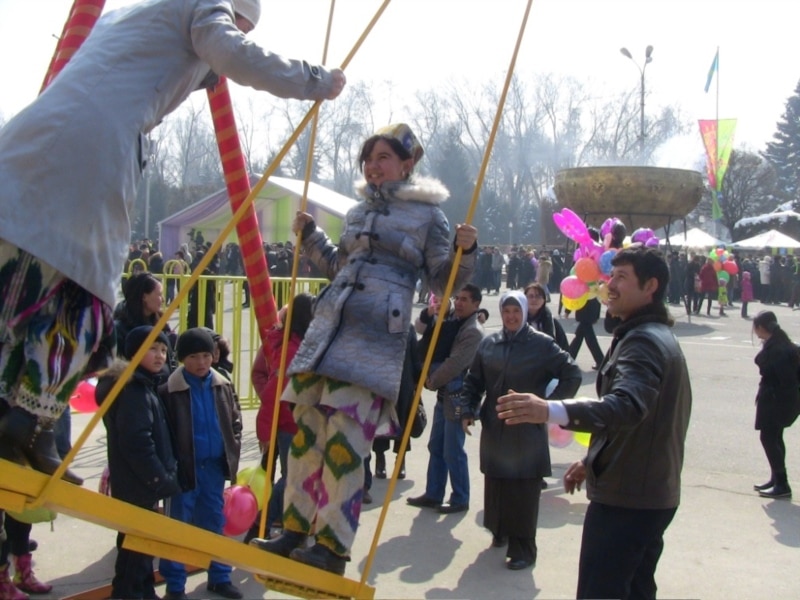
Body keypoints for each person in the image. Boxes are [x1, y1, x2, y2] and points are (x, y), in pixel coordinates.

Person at [0, 0, 345, 480]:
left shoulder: (132, 17)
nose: (237, 31)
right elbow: (229, 51)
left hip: (33, 143)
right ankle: (26, 422)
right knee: (81, 301)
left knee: (31, 288)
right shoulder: (202, 5)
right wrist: (315, 81)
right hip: (88, 153)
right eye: (240, 25)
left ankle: (24, 421)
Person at [250, 123, 478, 575]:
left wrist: (463, 251)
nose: (373, 167)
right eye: (368, 159)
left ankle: (333, 547)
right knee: (306, 438)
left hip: (373, 341)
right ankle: (294, 530)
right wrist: (312, 238)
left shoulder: (428, 216)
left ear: (407, 164)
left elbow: (443, 281)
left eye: (383, 158)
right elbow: (339, 266)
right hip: (327, 334)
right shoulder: (356, 212)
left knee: (345, 443)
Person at [494, 246, 692, 599]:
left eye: (621, 278)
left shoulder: (643, 341)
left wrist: (549, 410)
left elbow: (627, 406)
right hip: (648, 491)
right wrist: (592, 459)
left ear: (650, 286)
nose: (609, 285)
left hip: (628, 499)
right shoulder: (651, 334)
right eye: (610, 276)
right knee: (636, 589)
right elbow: (643, 421)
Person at [461, 290, 581, 570]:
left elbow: (572, 373)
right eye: (506, 311)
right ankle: (499, 531)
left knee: (523, 488)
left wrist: (549, 408)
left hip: (526, 428)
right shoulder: (489, 344)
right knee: (497, 482)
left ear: (525, 312)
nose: (511, 317)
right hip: (495, 426)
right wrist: (467, 411)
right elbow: (473, 381)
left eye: (516, 311)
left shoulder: (541, 344)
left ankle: (523, 548)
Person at [95, 326, 181, 600]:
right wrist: (159, 479)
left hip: (138, 483)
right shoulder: (133, 390)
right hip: (139, 484)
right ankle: (127, 594)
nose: (160, 355)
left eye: (164, 350)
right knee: (136, 549)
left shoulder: (144, 385)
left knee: (139, 547)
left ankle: (144, 591)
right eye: (152, 349)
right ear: (134, 352)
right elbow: (137, 443)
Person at [159, 328, 243, 600]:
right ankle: (175, 586)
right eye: (193, 356)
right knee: (177, 527)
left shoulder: (223, 385)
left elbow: (235, 422)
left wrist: (232, 450)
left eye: (206, 355)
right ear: (182, 358)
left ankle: (220, 577)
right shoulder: (169, 390)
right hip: (184, 470)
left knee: (215, 522)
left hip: (214, 469)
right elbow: (163, 432)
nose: (201, 362)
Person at [407, 284, 484, 514]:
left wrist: (430, 381)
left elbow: (455, 364)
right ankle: (434, 493)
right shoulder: (452, 319)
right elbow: (423, 329)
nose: (459, 303)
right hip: (444, 395)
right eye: (457, 298)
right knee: (436, 445)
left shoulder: (473, 331)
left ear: (476, 304)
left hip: (458, 396)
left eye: (465, 299)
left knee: (453, 449)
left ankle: (460, 497)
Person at [249, 293, 315, 539]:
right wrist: (265, 431)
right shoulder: (292, 350)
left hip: (302, 423)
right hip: (291, 425)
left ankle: (290, 528)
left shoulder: (300, 344)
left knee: (298, 480)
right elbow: (273, 393)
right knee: (292, 480)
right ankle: (262, 523)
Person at [751, 311, 800, 499]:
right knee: (776, 438)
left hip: (775, 401)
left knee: (768, 438)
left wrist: (777, 399)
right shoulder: (780, 343)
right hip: (780, 400)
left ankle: (782, 482)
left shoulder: (777, 349)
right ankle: (776, 478)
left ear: (761, 328)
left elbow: (786, 380)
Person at [115, 273, 178, 373]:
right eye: (159, 294)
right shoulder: (119, 329)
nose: (163, 299)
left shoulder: (160, 323)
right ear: (144, 296)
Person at [525, 282, 568, 351]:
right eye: (530, 296)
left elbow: (563, 346)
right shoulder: (518, 319)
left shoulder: (551, 320)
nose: (534, 299)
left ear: (544, 300)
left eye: (538, 296)